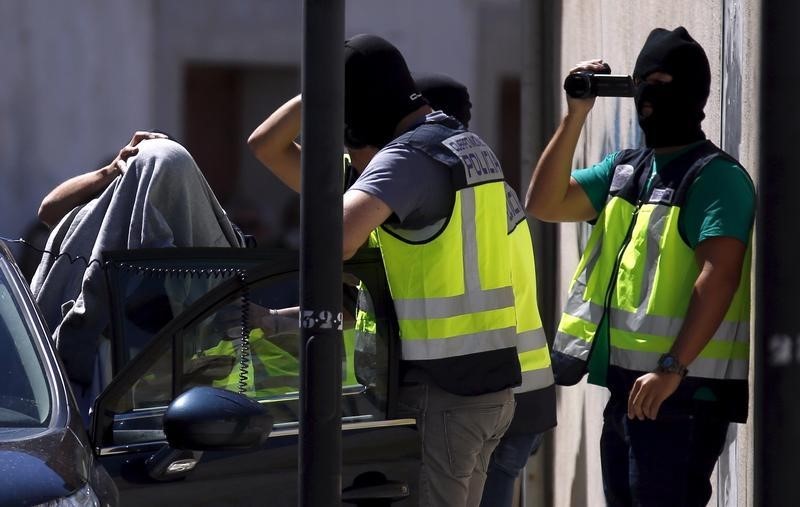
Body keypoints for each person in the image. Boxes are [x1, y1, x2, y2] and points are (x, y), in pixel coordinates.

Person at [250, 34, 554, 506]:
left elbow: (334, 242)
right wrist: (324, 86)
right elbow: (266, 145)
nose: (349, 159)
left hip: (446, 394)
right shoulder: (461, 145)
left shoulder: (407, 160)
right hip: (488, 389)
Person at [525, 27, 754, 506]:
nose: (650, 94)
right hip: (629, 393)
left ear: (693, 93)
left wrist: (673, 367)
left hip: (682, 395)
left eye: (664, 80)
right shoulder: (626, 169)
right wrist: (576, 117)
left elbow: (720, 278)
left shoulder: (717, 178)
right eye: (643, 81)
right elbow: (544, 203)